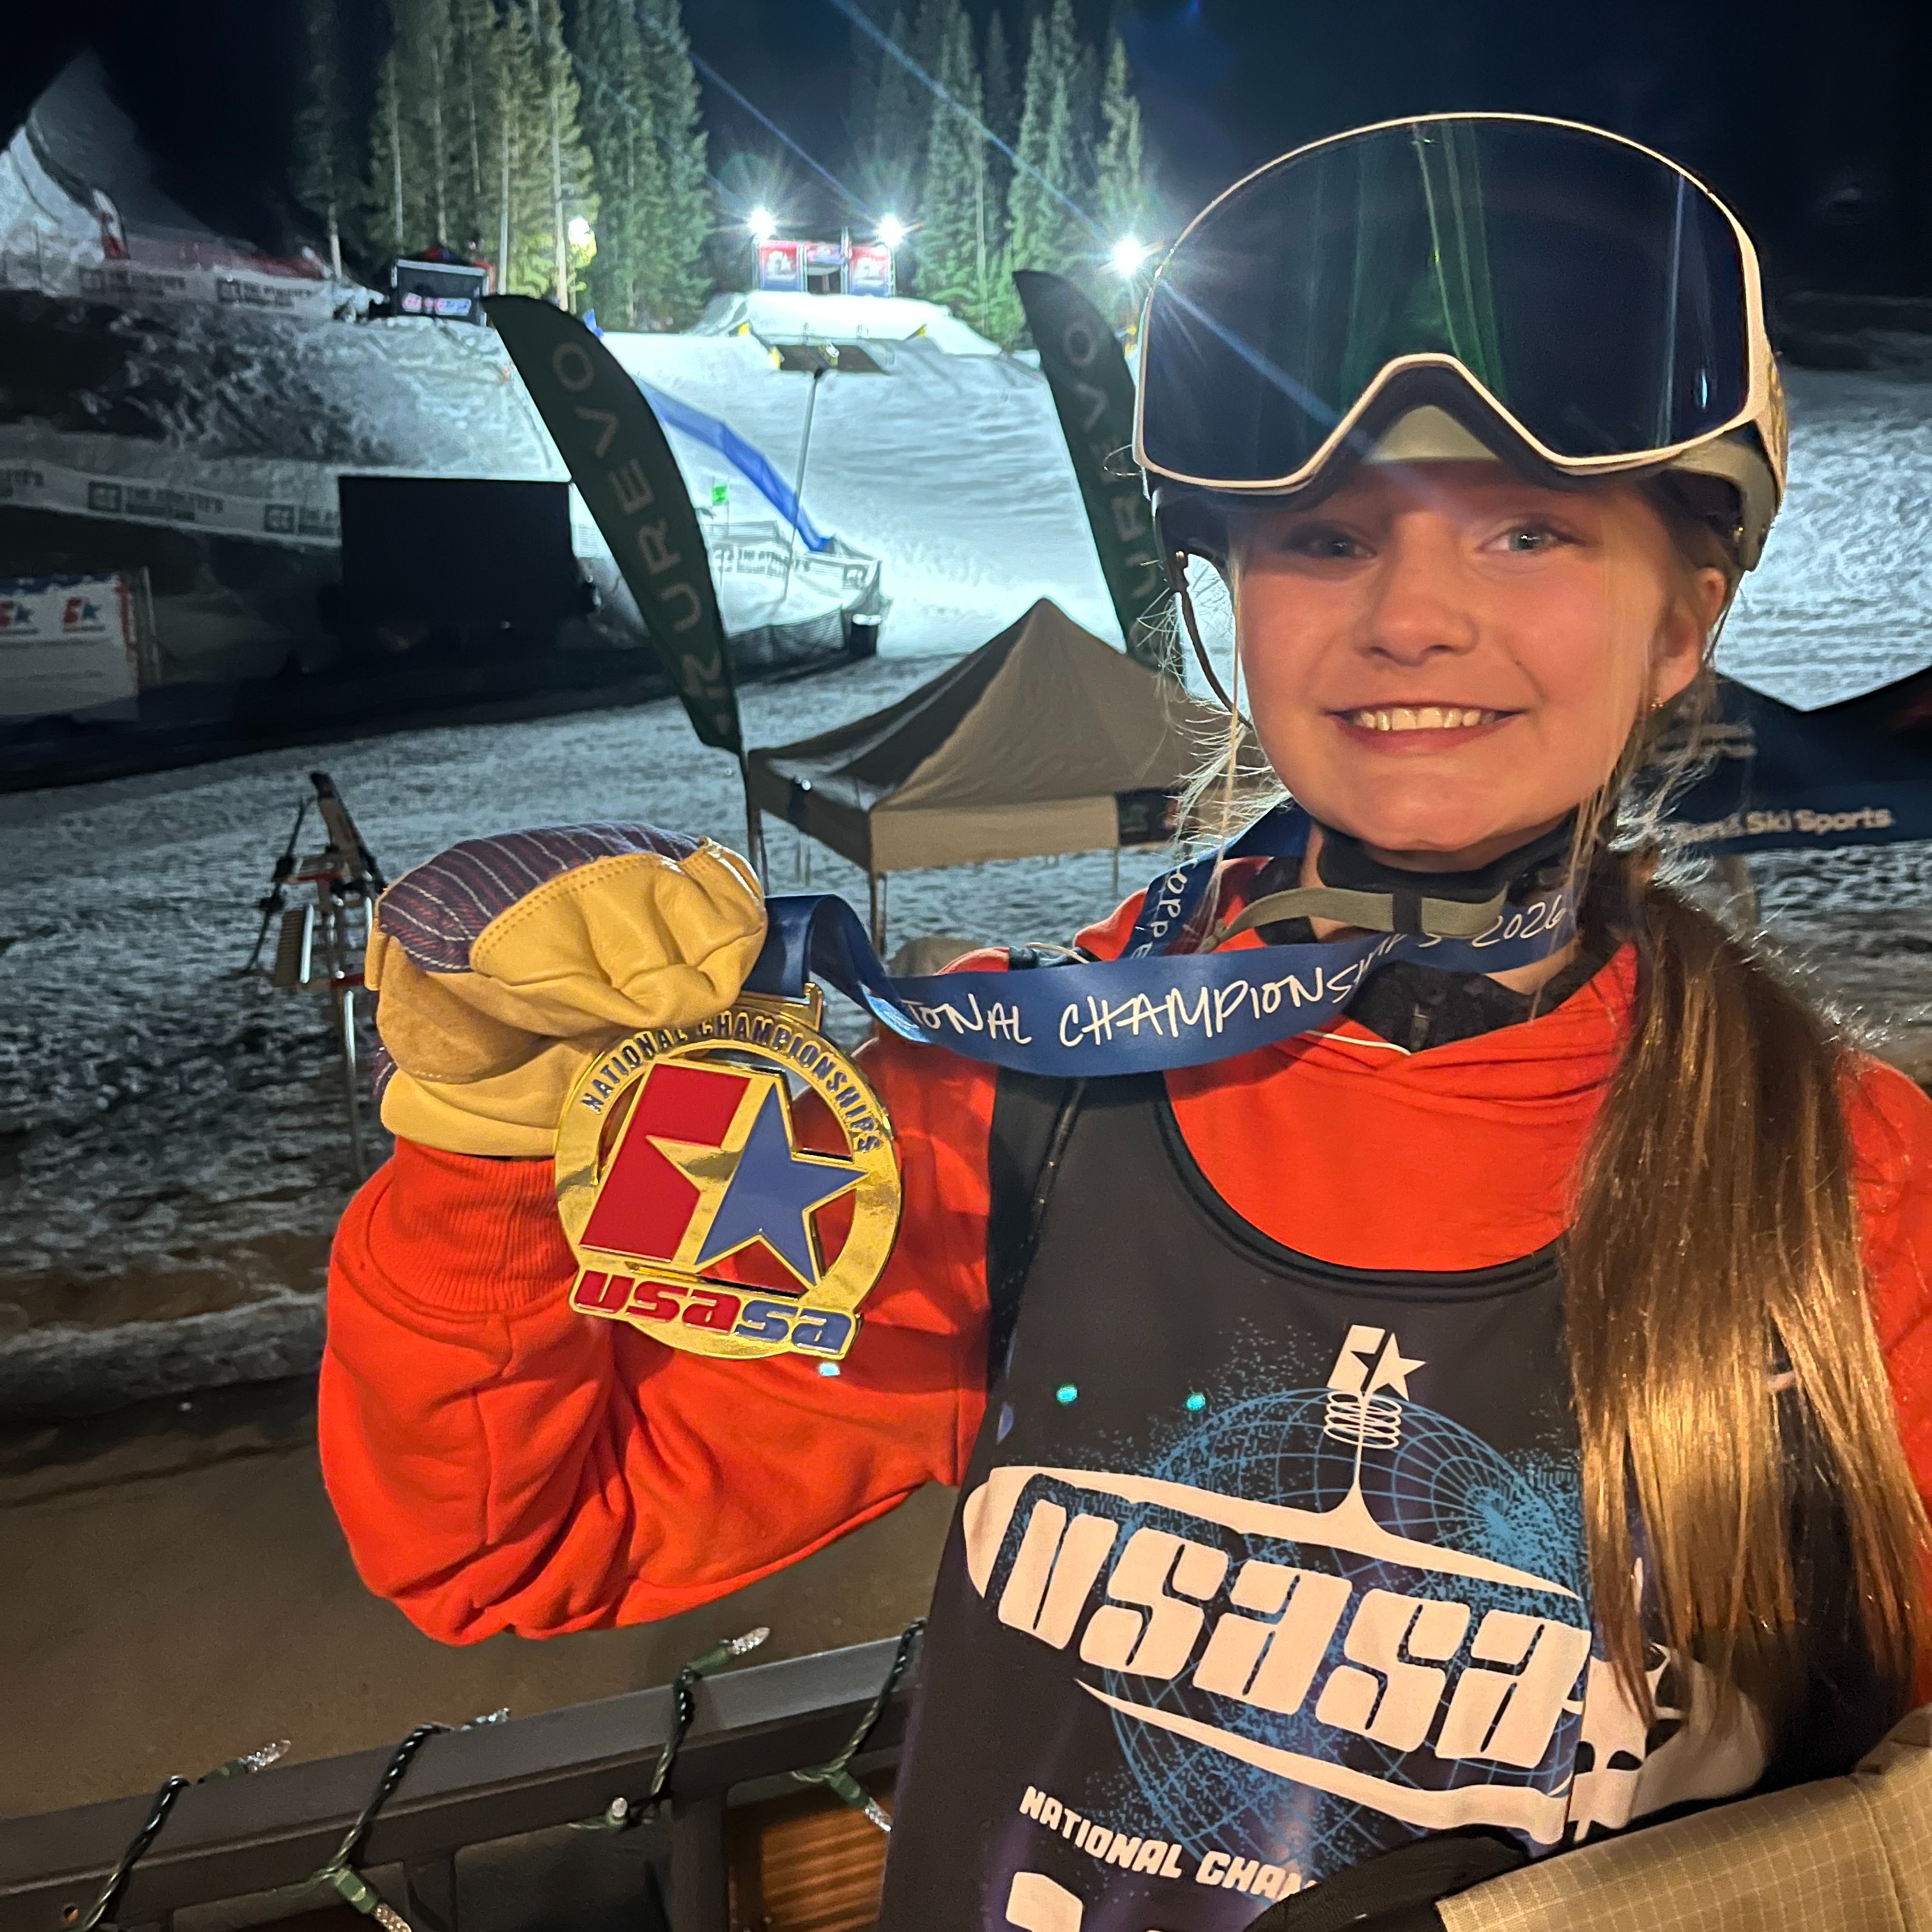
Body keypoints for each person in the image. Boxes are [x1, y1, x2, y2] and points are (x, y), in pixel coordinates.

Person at [321, 117, 1932, 1931]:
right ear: (1231, 602)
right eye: (1325, 537)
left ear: (1685, 621)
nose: (1412, 616)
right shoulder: (1024, 1096)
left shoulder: (1852, 1192)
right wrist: (487, 1153)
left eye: (1528, 530)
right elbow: (515, 1538)